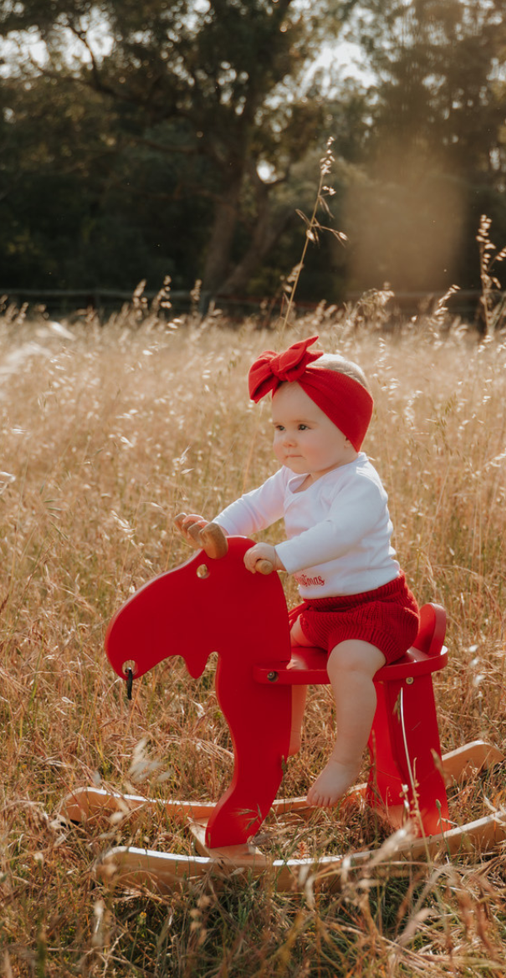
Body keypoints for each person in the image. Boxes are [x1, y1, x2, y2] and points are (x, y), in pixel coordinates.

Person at [176, 334, 421, 807]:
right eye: (279, 427)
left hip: (376, 612)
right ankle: (280, 745)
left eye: (303, 427)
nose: (286, 440)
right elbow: (254, 507)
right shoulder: (292, 477)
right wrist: (218, 531)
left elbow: (338, 534)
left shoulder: (359, 485)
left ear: (348, 431)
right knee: (263, 645)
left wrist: (282, 554)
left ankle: (345, 761)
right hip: (319, 612)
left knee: (347, 664)